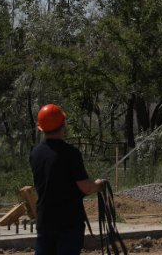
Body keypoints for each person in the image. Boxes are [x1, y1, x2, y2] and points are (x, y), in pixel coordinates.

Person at [29, 103, 105, 255]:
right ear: (63, 126)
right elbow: (86, 188)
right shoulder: (71, 154)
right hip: (68, 223)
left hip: (45, 220)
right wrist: (99, 185)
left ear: (42, 128)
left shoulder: (35, 153)